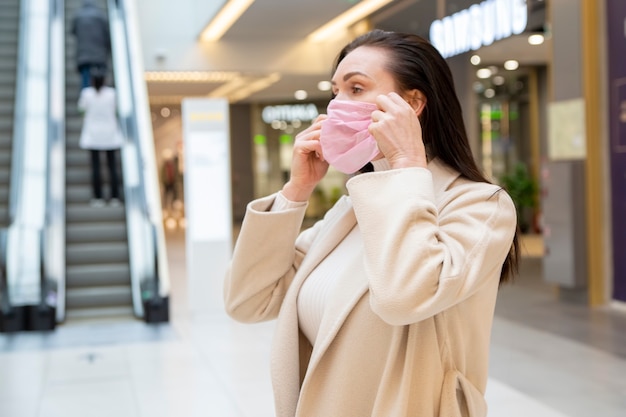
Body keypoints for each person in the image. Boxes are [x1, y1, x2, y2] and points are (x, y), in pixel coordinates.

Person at [224, 29, 519, 417]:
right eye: (335, 92)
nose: (336, 107)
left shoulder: (481, 205)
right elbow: (248, 302)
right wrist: (297, 189)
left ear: (412, 103)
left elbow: (405, 297)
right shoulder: (352, 209)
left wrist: (406, 163)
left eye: (357, 89)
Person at [78, 72, 124, 207]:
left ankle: (98, 197)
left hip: (93, 134)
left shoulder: (86, 94)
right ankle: (115, 196)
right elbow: (117, 110)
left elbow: (81, 110)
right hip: (110, 134)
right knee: (112, 167)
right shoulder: (112, 94)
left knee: (96, 167)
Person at [71, 0, 111, 90]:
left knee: (86, 82)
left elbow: (73, 31)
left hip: (83, 55)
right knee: (101, 81)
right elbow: (107, 35)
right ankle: (101, 100)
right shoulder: (100, 16)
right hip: (100, 55)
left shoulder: (78, 16)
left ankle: (85, 101)